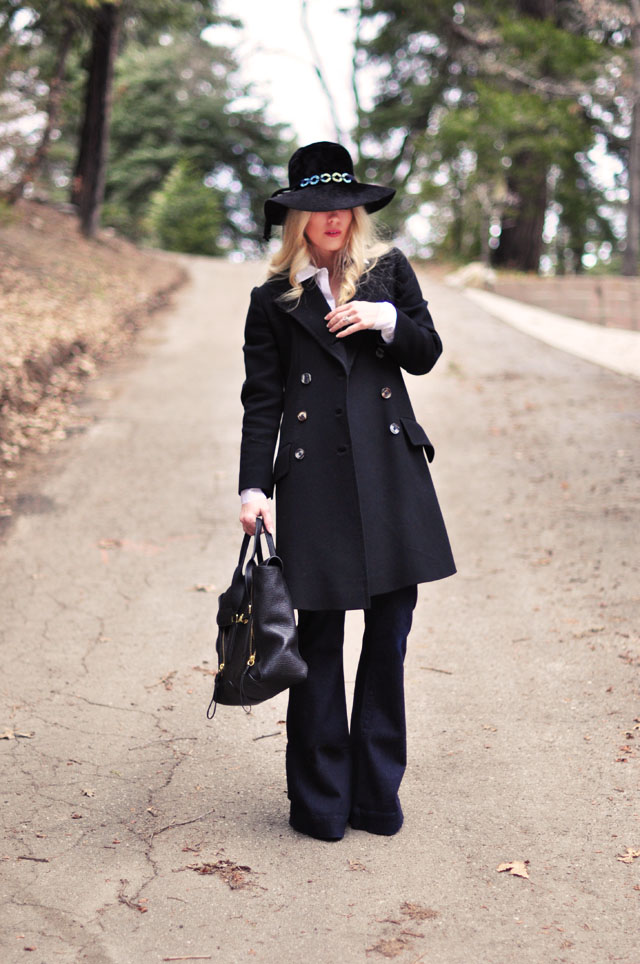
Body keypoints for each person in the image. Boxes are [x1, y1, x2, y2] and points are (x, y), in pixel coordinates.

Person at [238, 141, 456, 841]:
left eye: (344, 204)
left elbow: (426, 352)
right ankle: (322, 802)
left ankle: (374, 796)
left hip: (392, 477)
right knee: (322, 643)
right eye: (318, 206)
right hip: (316, 485)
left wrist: (386, 320)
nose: (334, 218)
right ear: (297, 216)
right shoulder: (273, 298)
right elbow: (263, 401)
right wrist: (253, 487)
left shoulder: (387, 271)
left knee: (389, 636)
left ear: (357, 210)